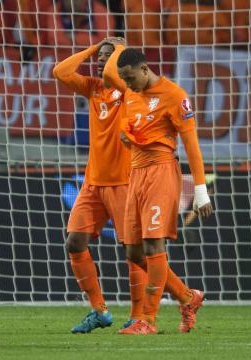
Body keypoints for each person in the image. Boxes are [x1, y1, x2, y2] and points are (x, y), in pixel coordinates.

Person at [115, 48, 213, 335]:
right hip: (136, 174)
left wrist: (200, 190)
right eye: (124, 79)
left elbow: (192, 145)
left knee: (154, 245)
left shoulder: (175, 96)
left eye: (130, 77)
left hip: (161, 173)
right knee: (133, 252)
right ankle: (187, 297)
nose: (128, 84)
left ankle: (148, 320)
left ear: (145, 69)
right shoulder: (131, 92)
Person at [52, 37, 131, 333]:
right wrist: (95, 48)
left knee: (135, 251)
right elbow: (61, 71)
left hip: (123, 181)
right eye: (101, 56)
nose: (101, 61)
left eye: (107, 57)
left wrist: (118, 50)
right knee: (74, 241)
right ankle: (99, 310)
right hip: (93, 182)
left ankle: (167, 304)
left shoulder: (129, 92)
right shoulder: (94, 88)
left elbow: (114, 72)